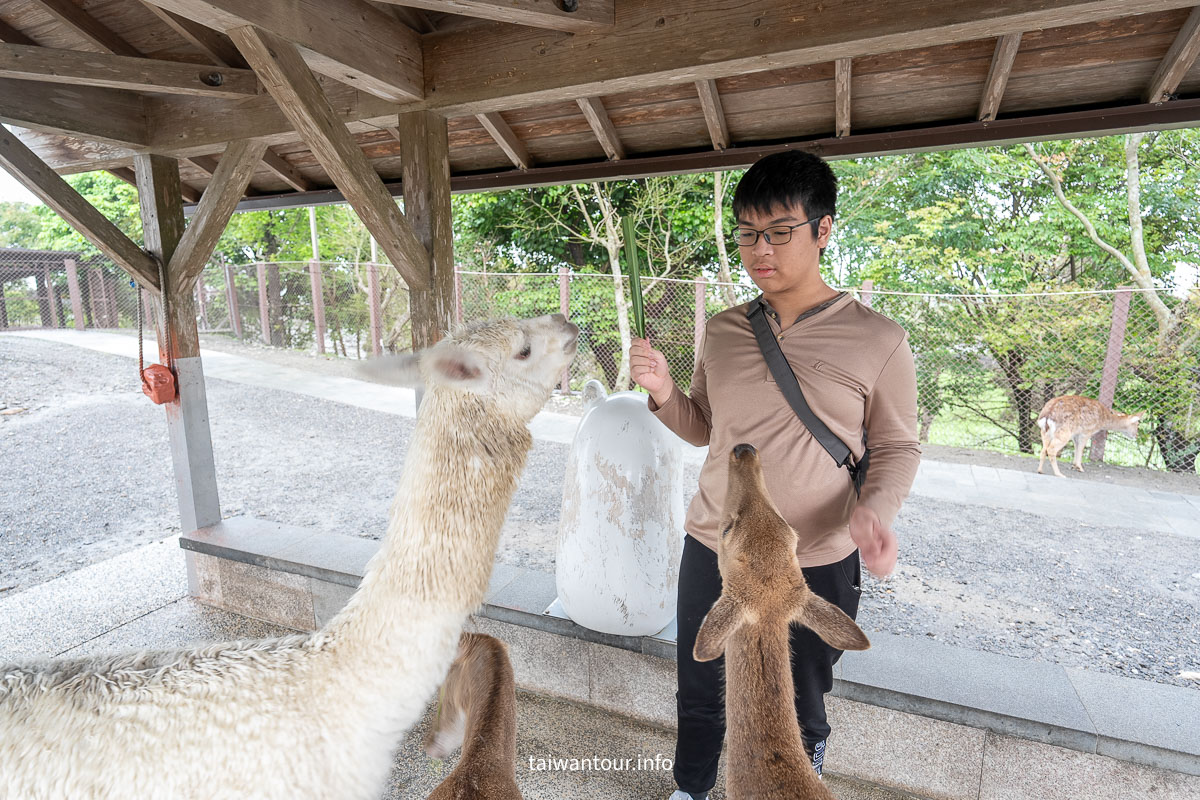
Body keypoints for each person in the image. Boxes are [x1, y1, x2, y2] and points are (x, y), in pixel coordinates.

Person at [629, 150, 920, 800]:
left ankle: (797, 782)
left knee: (800, 696)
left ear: (823, 230)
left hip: (816, 555)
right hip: (714, 543)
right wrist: (662, 392)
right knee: (700, 683)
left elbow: (898, 447)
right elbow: (704, 425)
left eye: (779, 232)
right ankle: (691, 788)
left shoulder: (879, 340)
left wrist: (876, 510)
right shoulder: (727, 328)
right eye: (747, 234)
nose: (760, 249)